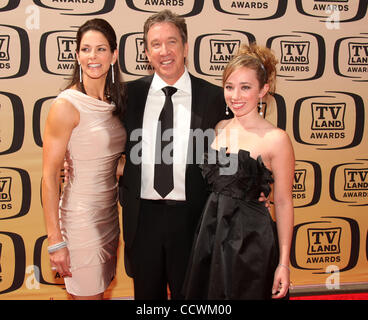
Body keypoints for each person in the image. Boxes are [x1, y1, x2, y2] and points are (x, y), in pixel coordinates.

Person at [119, 9, 266, 300]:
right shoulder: (127, 96)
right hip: (142, 219)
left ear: (186, 47)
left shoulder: (215, 98)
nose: (164, 51)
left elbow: (242, 138)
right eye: (155, 44)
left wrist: (254, 185)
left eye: (172, 42)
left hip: (195, 221)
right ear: (146, 52)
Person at [182, 43, 294, 299]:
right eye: (229, 87)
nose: (236, 96)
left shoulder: (276, 139)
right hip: (210, 234)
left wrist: (284, 263)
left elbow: (285, 203)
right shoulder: (219, 128)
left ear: (263, 90)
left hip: (251, 242)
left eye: (246, 87)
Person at [42, 18, 126, 300]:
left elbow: (112, 163)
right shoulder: (66, 105)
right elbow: (50, 176)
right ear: (77, 55)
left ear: (114, 55)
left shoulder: (113, 104)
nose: (93, 56)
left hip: (108, 218)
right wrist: (55, 241)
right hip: (80, 222)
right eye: (86, 49)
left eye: (101, 49)